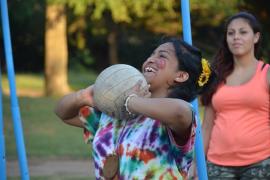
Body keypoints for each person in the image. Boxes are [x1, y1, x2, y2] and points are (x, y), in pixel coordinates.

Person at [54, 37, 214, 179]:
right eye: (152, 54)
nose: (151, 59)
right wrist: (82, 96)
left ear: (180, 76)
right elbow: (63, 113)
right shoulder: (114, 112)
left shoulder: (173, 117)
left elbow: (180, 112)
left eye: (162, 55)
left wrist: (131, 101)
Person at [201, 12, 270, 179]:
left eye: (243, 32)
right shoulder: (216, 77)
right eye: (230, 33)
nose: (235, 37)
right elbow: (207, 126)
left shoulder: (266, 73)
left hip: (260, 162)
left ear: (256, 37)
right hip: (217, 164)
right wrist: (197, 163)